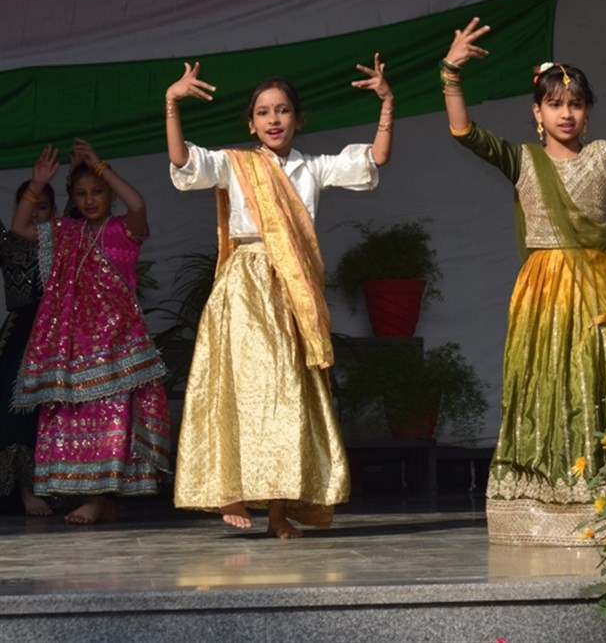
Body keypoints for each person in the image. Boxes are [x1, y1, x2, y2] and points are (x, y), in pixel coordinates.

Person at [441, 18, 606, 545]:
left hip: (597, 293)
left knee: (601, 382)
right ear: (537, 113)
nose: (566, 113)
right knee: (546, 388)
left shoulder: (603, 157)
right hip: (543, 294)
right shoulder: (522, 160)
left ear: (587, 112)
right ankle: (542, 502)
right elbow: (464, 132)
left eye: (575, 104)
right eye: (554, 104)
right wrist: (451, 75)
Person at [166, 56, 393, 539]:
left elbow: (374, 159)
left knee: (286, 393)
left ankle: (276, 512)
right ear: (251, 123)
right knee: (238, 388)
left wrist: (387, 103)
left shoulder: (313, 168)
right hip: (245, 288)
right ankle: (228, 487)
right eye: (263, 112)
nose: (273, 119)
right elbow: (185, 162)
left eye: (283, 110)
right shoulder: (237, 165)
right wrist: (172, 105)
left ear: (298, 118)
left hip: (293, 290)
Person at [12, 141, 172, 525]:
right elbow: (20, 227)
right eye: (81, 194)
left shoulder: (124, 230)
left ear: (109, 194)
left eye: (97, 192)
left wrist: (101, 168)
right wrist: (37, 184)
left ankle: (100, 499)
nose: (89, 200)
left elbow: (137, 204)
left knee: (112, 421)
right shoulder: (66, 233)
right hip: (74, 350)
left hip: (117, 345)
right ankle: (100, 501)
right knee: (78, 421)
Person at [0, 183, 56, 516]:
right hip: (19, 332)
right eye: (29, 205)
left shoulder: (62, 240)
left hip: (57, 330)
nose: (35, 213)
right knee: (15, 408)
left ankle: (65, 489)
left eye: (43, 206)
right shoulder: (7, 242)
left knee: (53, 412)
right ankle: (24, 489)